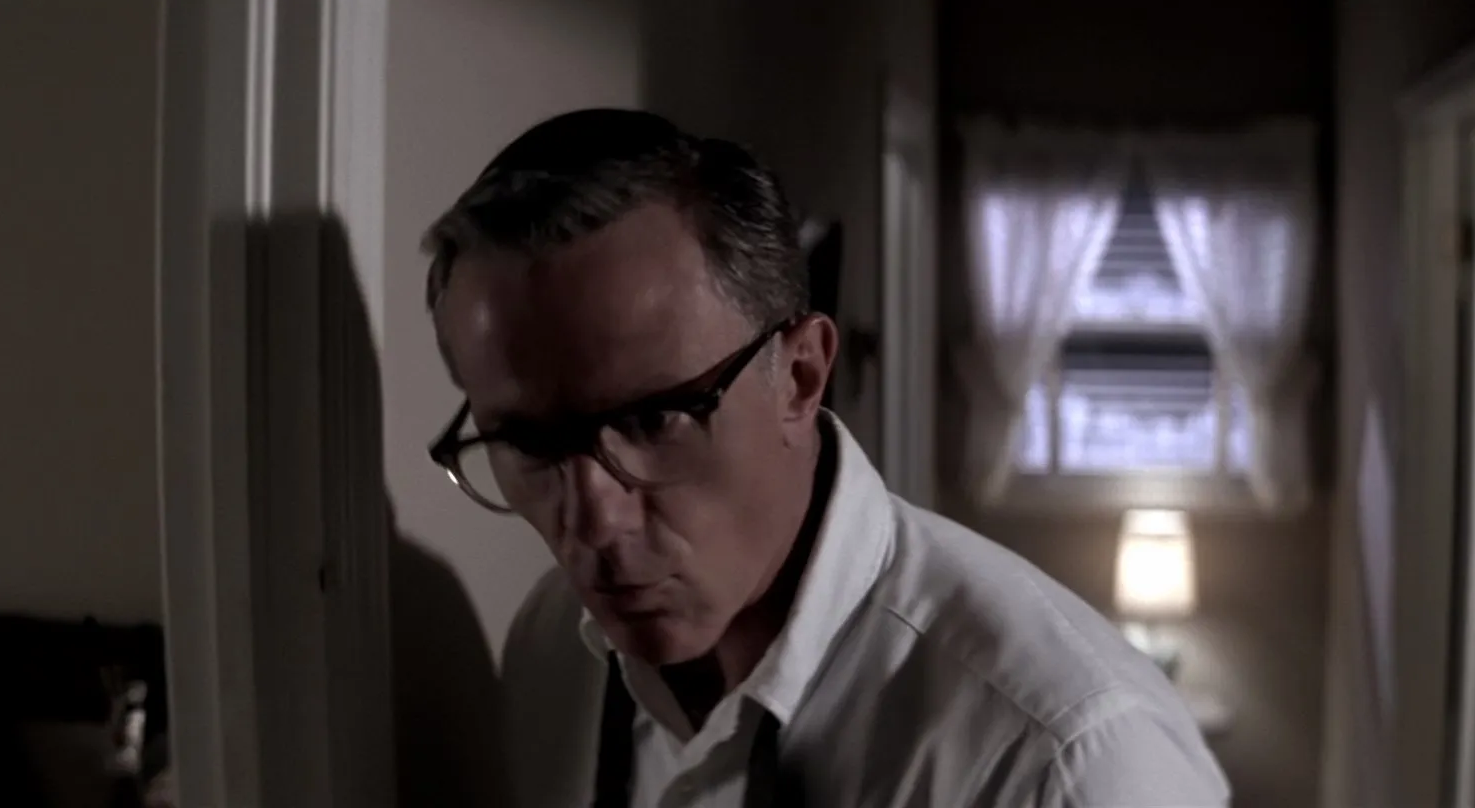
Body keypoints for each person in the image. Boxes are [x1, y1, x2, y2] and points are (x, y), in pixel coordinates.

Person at [422, 108, 1229, 808]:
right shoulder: (551, 645)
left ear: (801, 377)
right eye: (527, 441)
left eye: (655, 418)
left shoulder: (1067, 761)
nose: (594, 521)